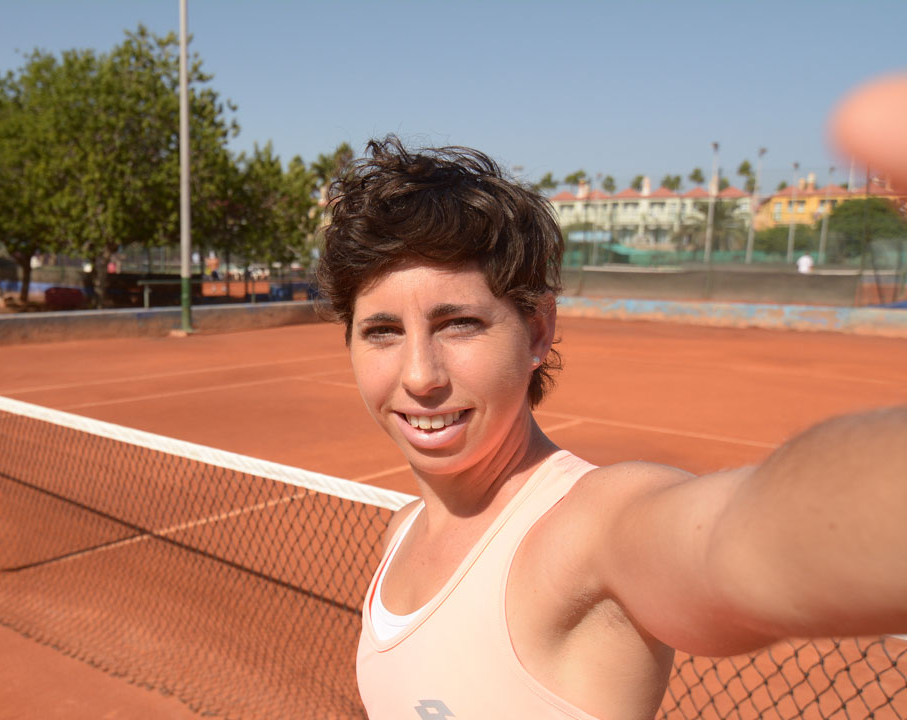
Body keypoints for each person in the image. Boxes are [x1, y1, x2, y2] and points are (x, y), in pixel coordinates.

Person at [315, 136, 907, 720]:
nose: (420, 375)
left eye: (460, 323)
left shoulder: (592, 529)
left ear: (539, 331)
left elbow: (746, 536)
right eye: (382, 331)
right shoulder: (401, 533)